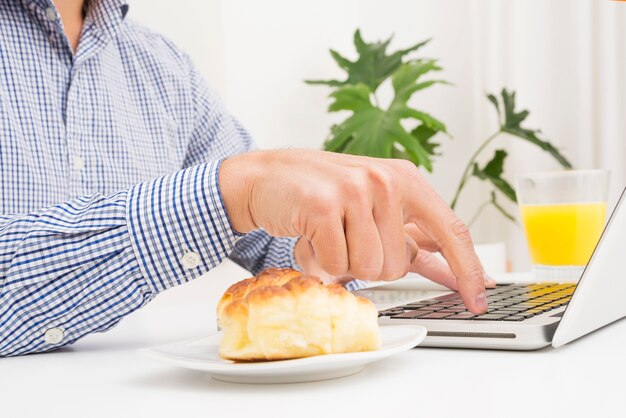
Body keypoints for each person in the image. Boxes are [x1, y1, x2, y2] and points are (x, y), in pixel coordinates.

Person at [0, 0, 492, 357]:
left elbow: (267, 237)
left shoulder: (161, 66)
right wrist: (234, 190)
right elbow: (234, 193)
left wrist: (331, 239)